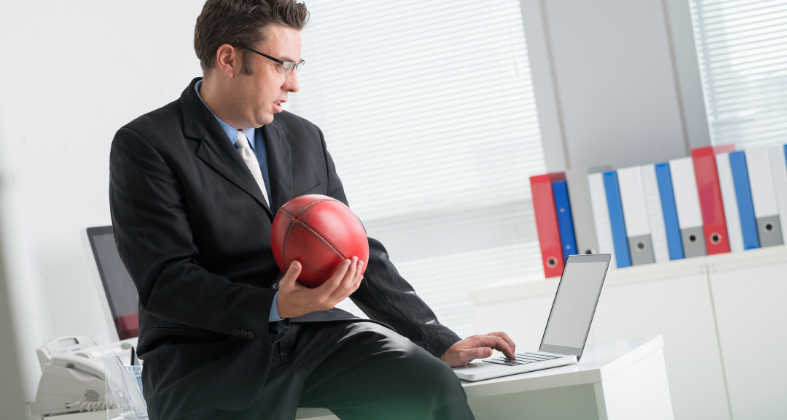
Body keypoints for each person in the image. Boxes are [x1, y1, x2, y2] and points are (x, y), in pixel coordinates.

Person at [109, 0, 516, 418]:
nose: (294, 84)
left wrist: (436, 339)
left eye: (297, 66)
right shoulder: (147, 144)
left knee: (426, 382)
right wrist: (274, 306)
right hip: (206, 356)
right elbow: (166, 281)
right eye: (283, 65)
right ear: (228, 59)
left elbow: (354, 250)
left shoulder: (305, 138)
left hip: (314, 337)